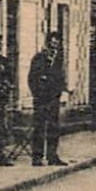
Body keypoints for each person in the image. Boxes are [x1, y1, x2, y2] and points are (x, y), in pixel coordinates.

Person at [27, 31, 68, 166]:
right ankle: (37, 157)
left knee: (53, 127)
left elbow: (60, 78)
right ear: (47, 43)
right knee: (39, 127)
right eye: (52, 43)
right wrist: (37, 94)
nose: (55, 46)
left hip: (54, 98)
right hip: (41, 99)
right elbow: (32, 78)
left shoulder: (59, 59)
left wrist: (61, 91)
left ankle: (52, 156)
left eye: (57, 43)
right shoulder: (39, 58)